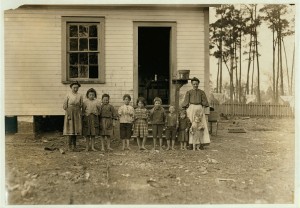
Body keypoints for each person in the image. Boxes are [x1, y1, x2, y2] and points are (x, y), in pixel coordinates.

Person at [181, 77, 210, 149]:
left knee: (201, 125)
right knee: (192, 125)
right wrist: (186, 111)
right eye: (194, 84)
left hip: (200, 109)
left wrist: (202, 111)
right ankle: (191, 143)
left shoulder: (201, 92)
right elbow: (185, 104)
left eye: (196, 84)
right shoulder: (189, 92)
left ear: (198, 84)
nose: (195, 85)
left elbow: (205, 104)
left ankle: (201, 143)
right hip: (191, 109)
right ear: (192, 84)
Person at [63, 81, 83, 151]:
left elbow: (81, 105)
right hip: (69, 112)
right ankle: (69, 146)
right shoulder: (68, 95)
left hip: (77, 113)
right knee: (70, 129)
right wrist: (68, 114)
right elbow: (65, 106)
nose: (75, 89)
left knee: (75, 130)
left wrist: (79, 113)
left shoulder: (80, 95)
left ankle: (74, 146)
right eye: (74, 87)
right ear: (71, 87)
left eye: (77, 88)